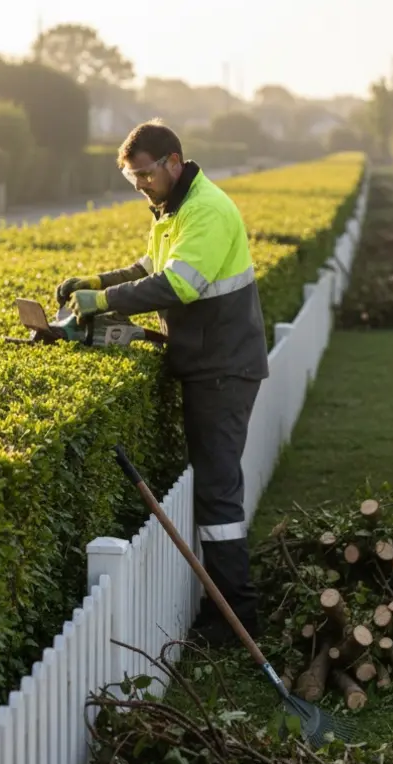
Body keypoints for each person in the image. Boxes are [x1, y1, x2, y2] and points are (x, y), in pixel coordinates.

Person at [55, 120, 269, 647]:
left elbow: (179, 284)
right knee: (216, 490)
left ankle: (233, 621)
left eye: (145, 175)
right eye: (133, 179)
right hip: (209, 364)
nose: (141, 186)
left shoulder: (207, 211)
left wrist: (99, 304)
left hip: (223, 370)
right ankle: (229, 612)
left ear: (173, 162)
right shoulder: (174, 208)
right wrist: (100, 281)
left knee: (219, 496)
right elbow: (152, 265)